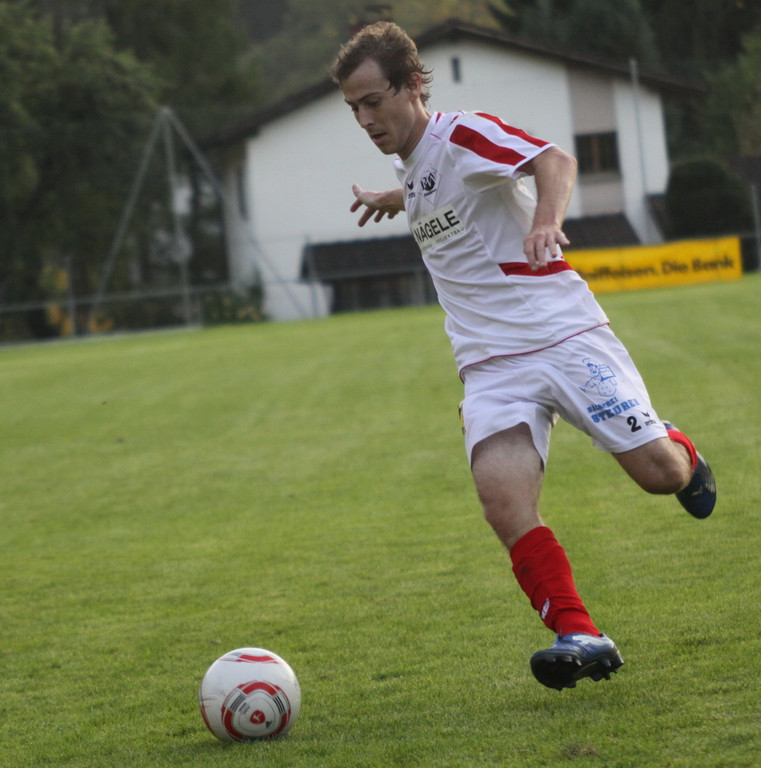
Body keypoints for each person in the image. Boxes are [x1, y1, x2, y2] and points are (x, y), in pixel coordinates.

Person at [330, 21, 716, 691]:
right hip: (490, 365)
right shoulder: (412, 165)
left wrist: (545, 221)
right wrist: (393, 199)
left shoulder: (462, 135)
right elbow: (436, 191)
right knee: (502, 502)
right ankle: (580, 633)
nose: (364, 119)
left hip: (560, 335)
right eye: (353, 108)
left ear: (412, 86)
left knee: (660, 475)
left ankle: (678, 446)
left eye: (372, 101)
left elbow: (553, 160)